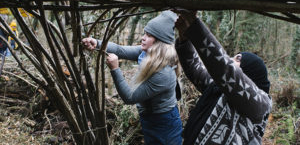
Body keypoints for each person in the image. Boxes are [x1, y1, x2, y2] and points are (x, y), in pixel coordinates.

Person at [82, 10, 183, 144]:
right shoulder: (146, 54)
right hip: (150, 118)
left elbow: (129, 97)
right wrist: (97, 43)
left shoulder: (163, 73)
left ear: (159, 42)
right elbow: (120, 50)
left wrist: (115, 69)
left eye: (149, 35)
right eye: (145, 33)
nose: (143, 38)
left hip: (164, 122)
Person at [174, 11, 272, 145]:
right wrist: (185, 38)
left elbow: (225, 69)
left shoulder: (260, 104)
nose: (231, 60)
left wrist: (195, 24)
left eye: (238, 59)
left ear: (249, 73)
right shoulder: (219, 88)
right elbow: (195, 69)